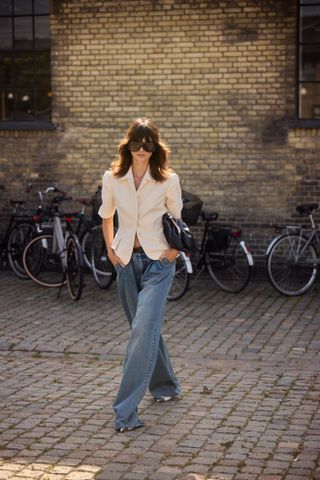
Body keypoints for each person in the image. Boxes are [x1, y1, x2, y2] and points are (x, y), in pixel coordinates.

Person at [98, 118, 183, 433]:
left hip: (158, 264)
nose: (142, 149)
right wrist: (111, 249)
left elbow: (177, 219)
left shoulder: (167, 180)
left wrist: (173, 253)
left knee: (141, 332)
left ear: (155, 147)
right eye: (137, 143)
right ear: (128, 145)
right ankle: (166, 386)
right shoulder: (113, 178)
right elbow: (106, 217)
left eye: (149, 144)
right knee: (144, 330)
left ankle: (124, 412)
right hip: (125, 263)